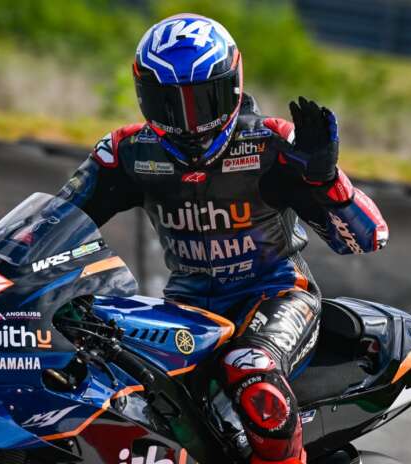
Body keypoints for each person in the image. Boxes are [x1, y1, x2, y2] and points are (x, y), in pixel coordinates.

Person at [59, 13, 388, 464]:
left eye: (202, 101)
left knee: (250, 369)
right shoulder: (128, 152)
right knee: (102, 366)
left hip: (276, 294)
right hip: (187, 307)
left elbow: (369, 237)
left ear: (232, 87)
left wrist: (327, 180)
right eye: (168, 104)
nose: (188, 123)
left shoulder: (273, 144)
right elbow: (56, 218)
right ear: (143, 97)